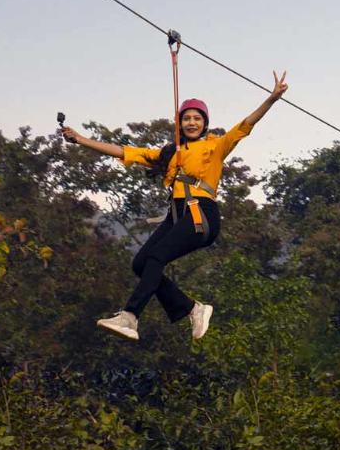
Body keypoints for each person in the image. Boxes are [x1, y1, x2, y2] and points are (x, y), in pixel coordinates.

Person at [61, 71, 288, 341]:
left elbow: (245, 126)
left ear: (205, 123)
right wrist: (81, 140)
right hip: (177, 215)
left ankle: (130, 316)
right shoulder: (169, 153)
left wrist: (271, 99)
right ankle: (191, 308)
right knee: (141, 263)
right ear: (179, 123)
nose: (191, 122)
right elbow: (124, 151)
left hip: (201, 213)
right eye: (186, 118)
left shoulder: (214, 147)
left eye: (197, 118)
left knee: (157, 257)